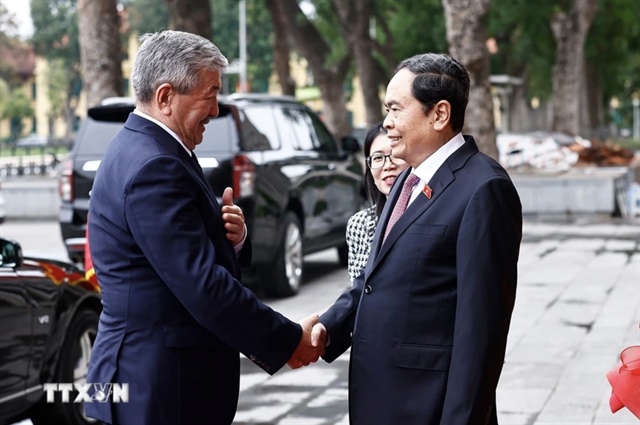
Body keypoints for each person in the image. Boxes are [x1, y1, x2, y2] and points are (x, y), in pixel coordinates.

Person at [85, 30, 322, 425]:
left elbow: (181, 253)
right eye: (209, 94)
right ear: (165, 97)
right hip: (157, 385)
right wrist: (287, 339)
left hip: (150, 377)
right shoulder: (154, 165)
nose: (216, 110)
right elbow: (202, 285)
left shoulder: (151, 148)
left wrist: (233, 235)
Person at [309, 53, 523, 424]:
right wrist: (328, 328)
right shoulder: (407, 179)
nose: (387, 124)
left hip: (428, 405)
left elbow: (481, 332)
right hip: (382, 398)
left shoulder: (484, 188)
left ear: (439, 114)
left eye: (395, 109)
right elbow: (376, 279)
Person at [346, 122, 409, 284]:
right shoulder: (360, 224)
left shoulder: (431, 213)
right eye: (378, 158)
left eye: (395, 155)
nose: (388, 166)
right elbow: (358, 291)